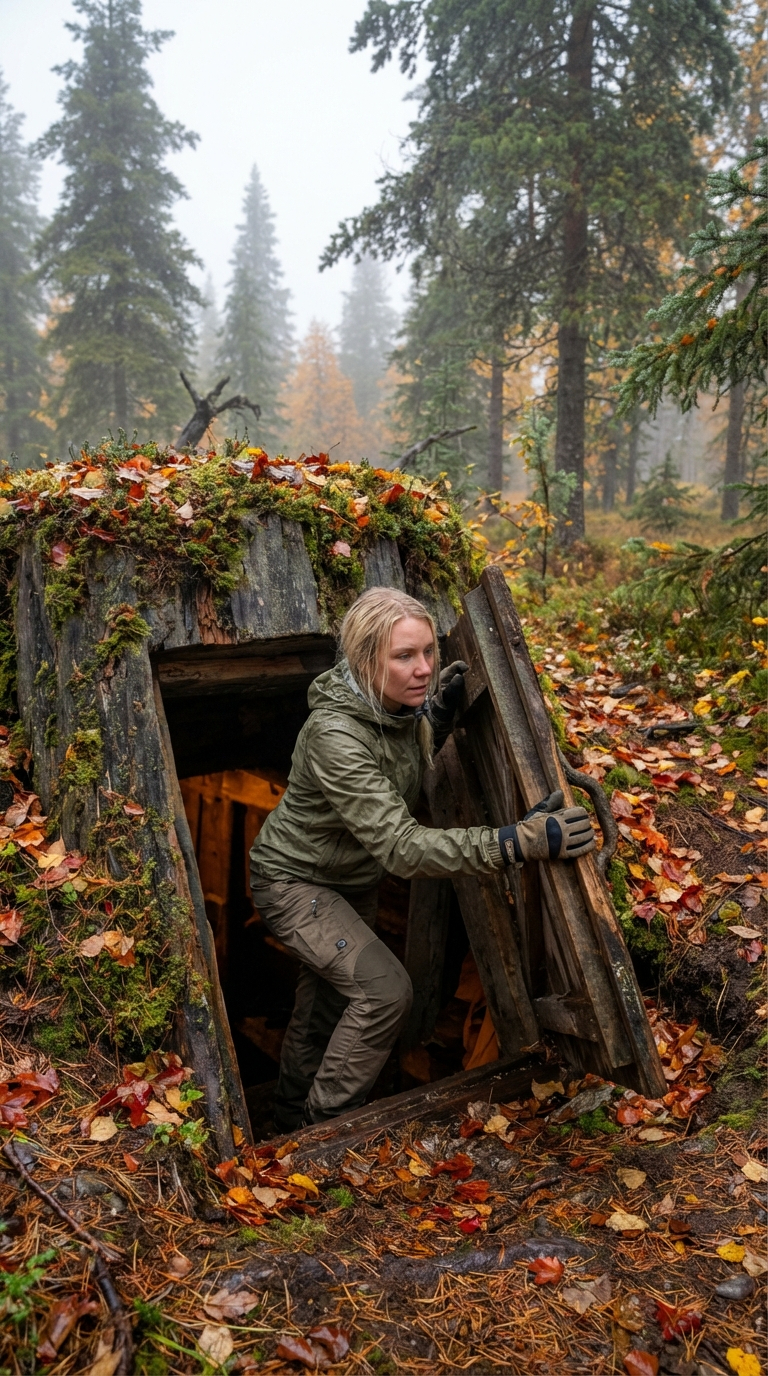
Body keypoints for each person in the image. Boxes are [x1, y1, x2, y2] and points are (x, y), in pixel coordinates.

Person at [250, 586, 594, 1130]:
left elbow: (399, 762)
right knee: (386, 992)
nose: (424, 668)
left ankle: (290, 1120)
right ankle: (329, 1127)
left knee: (324, 1011)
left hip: (349, 880)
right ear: (367, 660)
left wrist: (440, 716)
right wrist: (518, 841)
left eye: (428, 652)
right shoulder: (334, 736)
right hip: (294, 883)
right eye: (404, 656)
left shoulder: (398, 710)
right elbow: (402, 848)